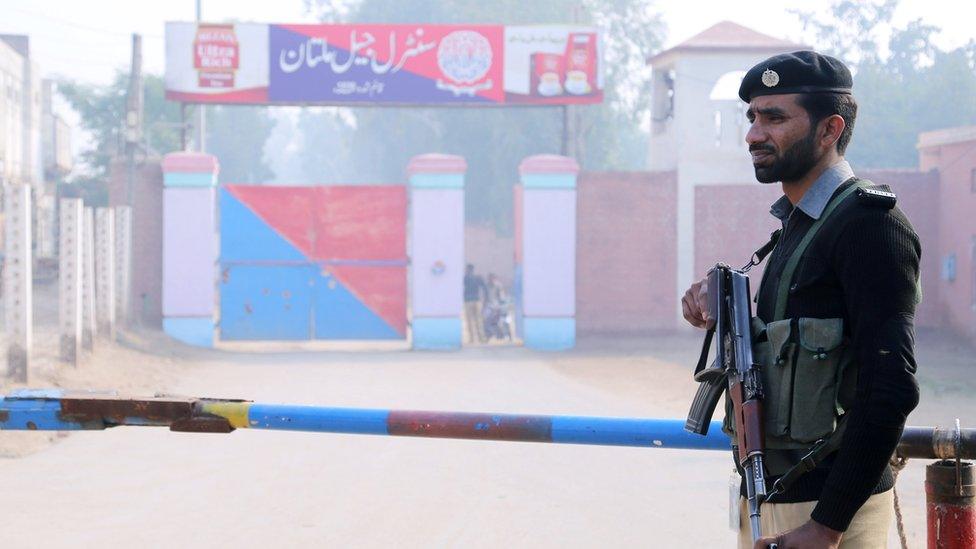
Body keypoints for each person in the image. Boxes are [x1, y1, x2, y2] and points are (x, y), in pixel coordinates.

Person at [681, 51, 921, 549]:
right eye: (752, 117)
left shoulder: (869, 225)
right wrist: (719, 301)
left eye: (775, 117)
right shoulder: (797, 224)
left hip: (832, 518)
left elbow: (891, 387)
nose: (753, 134)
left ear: (829, 129)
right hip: (772, 504)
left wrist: (827, 527)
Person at [463, 264, 487, 343]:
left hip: (468, 301)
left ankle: (472, 339)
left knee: (469, 321)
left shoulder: (465, 278)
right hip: (477, 300)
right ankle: (482, 338)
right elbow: (484, 288)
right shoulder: (478, 278)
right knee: (478, 320)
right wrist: (485, 299)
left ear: (468, 269)